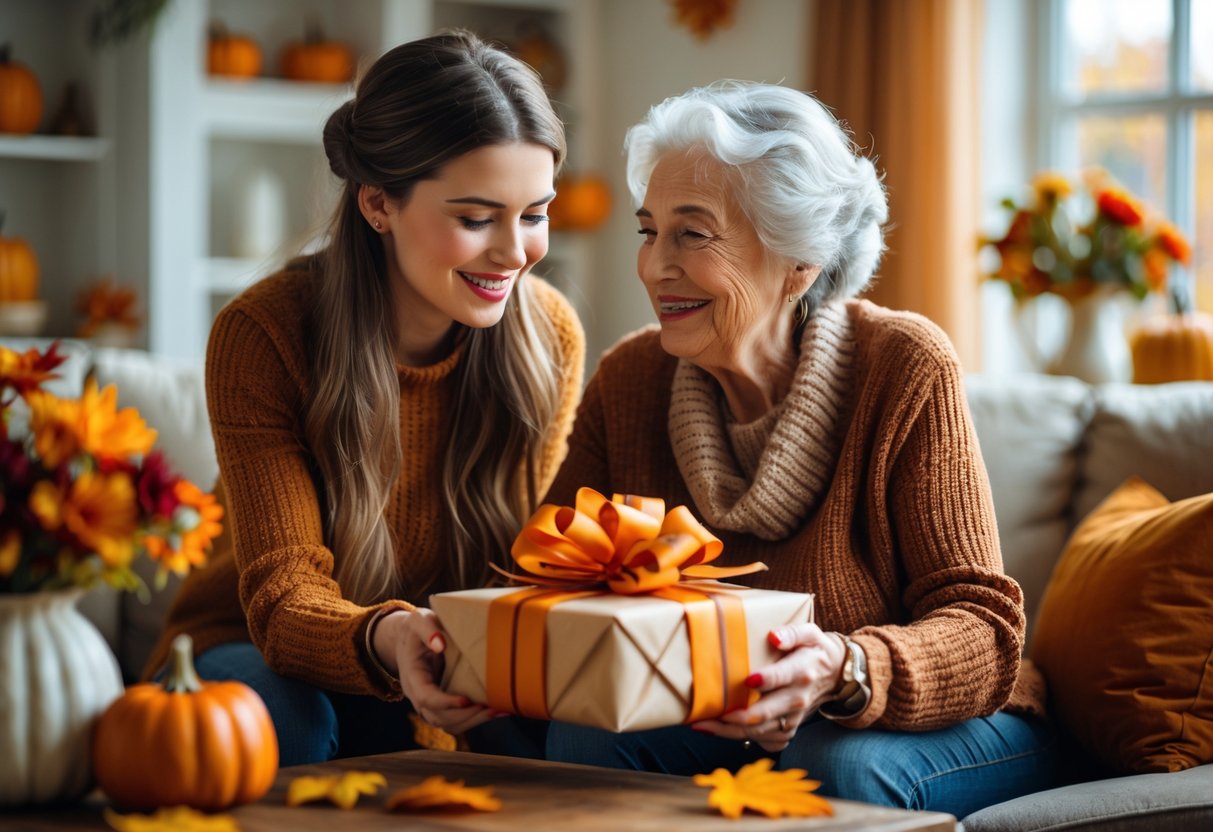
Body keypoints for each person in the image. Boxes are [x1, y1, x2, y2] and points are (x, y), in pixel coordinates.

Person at [542, 81, 1055, 817]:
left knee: (829, 761)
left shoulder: (904, 365)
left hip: (941, 717)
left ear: (799, 262)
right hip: (733, 719)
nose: (655, 266)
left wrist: (846, 668)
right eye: (647, 230)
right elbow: (553, 572)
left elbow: (982, 626)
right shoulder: (630, 379)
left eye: (693, 233)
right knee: (585, 739)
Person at [143, 31, 585, 766]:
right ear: (378, 204)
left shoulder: (549, 337)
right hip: (250, 652)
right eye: (475, 218)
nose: (515, 253)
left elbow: (525, 574)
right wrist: (392, 641)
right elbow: (283, 599)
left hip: (441, 660)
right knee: (298, 723)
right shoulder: (264, 334)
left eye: (534, 213)